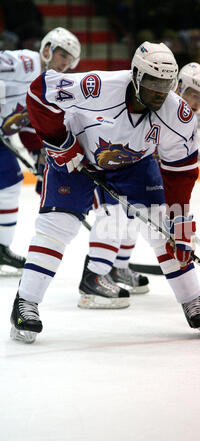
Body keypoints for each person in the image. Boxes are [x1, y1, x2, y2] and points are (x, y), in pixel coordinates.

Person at [10, 41, 200, 343]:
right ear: (136, 75)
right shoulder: (97, 87)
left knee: (163, 228)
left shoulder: (177, 113)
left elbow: (181, 172)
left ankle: (192, 298)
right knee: (57, 227)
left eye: (166, 84)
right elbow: (39, 93)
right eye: (153, 83)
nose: (160, 92)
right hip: (76, 158)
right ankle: (25, 302)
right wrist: (61, 142)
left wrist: (179, 221)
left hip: (135, 165)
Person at [0, 27, 81, 276]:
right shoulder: (26, 62)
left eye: (70, 62)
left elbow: (26, 124)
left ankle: (1, 247)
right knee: (10, 179)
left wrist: (39, 157)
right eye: (62, 56)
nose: (65, 65)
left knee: (10, 183)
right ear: (47, 50)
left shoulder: (51, 89)